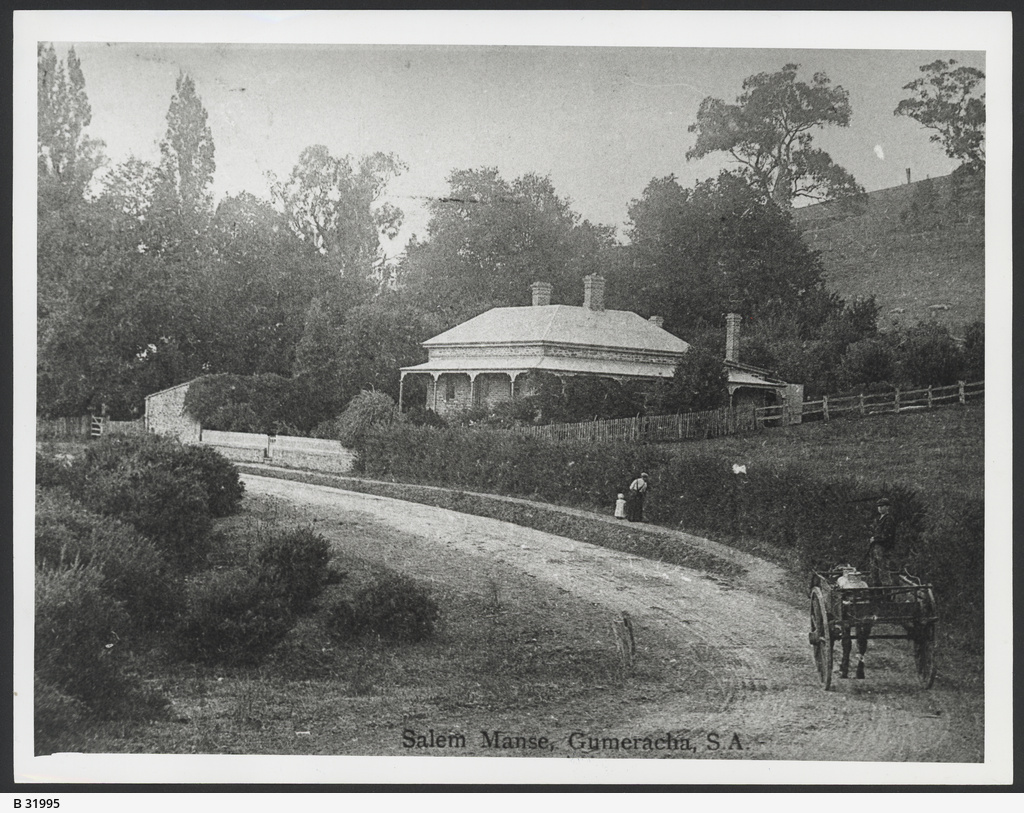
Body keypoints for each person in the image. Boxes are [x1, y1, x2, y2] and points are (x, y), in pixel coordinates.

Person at [866, 497, 897, 587]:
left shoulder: (888, 519)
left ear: (887, 507)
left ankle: (887, 598)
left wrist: (875, 539)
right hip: (876, 549)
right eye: (878, 506)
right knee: (874, 572)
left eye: (882, 506)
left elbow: (886, 536)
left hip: (884, 549)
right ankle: (877, 596)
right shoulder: (880, 519)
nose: (880, 508)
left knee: (884, 571)